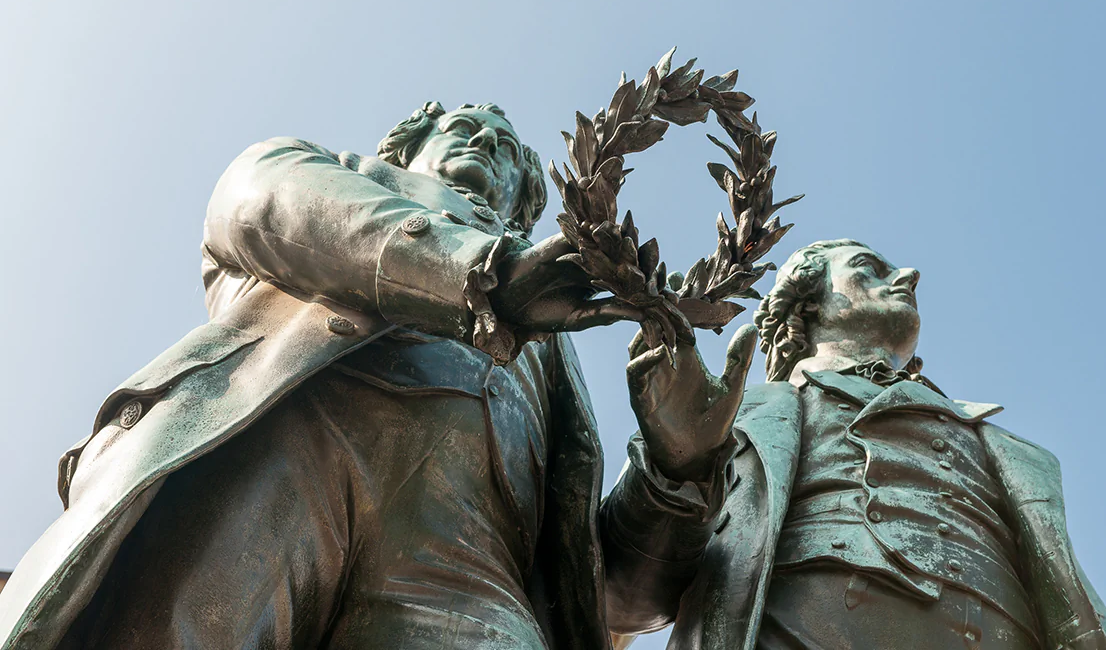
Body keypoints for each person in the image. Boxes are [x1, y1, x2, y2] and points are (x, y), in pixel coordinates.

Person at [0, 101, 731, 650]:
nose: (485, 144)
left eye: (509, 150)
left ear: (525, 200)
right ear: (406, 146)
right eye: (465, 128)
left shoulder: (557, 345)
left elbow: (606, 598)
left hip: (471, 581)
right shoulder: (333, 179)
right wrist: (478, 271)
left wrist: (677, 471)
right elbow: (257, 201)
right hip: (276, 459)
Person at [607, 239, 1106, 650]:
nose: (908, 275)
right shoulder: (727, 410)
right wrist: (676, 468)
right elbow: (621, 601)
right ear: (806, 303)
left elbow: (1083, 617)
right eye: (869, 267)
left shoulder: (1007, 448)